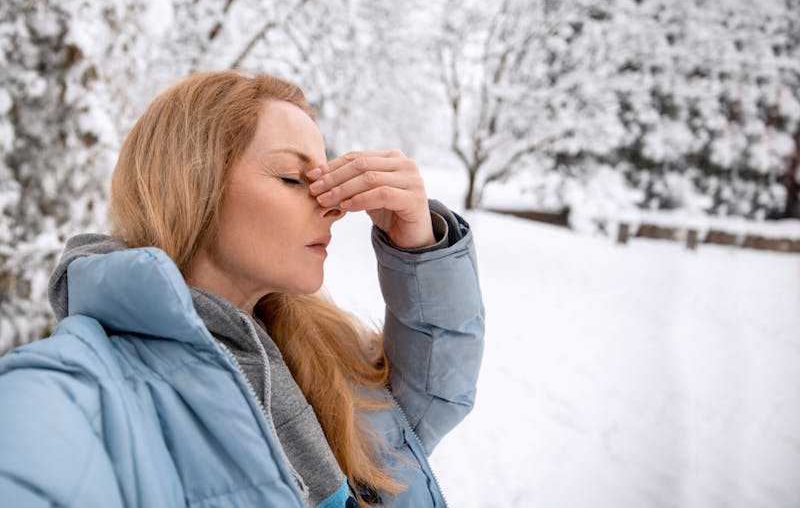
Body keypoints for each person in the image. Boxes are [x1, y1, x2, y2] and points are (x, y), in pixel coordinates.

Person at [0, 71, 484, 507]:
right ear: (194, 184)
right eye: (294, 177)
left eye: (327, 176)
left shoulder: (312, 341)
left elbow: (425, 403)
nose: (333, 206)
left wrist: (419, 243)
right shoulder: (82, 387)